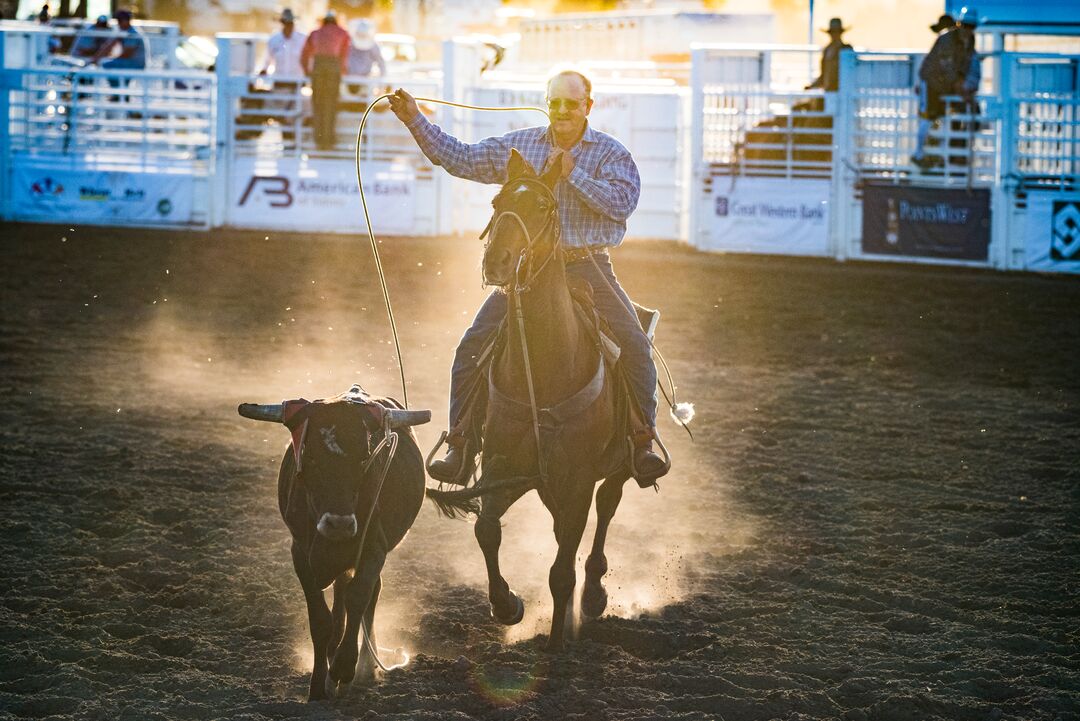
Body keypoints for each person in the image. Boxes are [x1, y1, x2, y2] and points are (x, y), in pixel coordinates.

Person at [388, 70, 668, 486]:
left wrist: (574, 174)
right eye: (554, 102)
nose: (561, 111)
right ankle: (461, 443)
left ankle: (641, 438)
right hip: (530, 271)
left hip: (588, 265)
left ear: (587, 107)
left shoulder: (610, 154)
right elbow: (463, 158)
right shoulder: (523, 146)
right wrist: (415, 120)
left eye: (570, 104)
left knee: (634, 344)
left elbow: (621, 204)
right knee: (471, 346)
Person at [912, 6, 981, 170]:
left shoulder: (969, 43)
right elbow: (946, 64)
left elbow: (962, 66)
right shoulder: (947, 40)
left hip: (945, 86)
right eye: (965, 25)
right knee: (928, 117)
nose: (968, 30)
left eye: (971, 27)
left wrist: (964, 87)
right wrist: (959, 85)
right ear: (959, 24)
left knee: (942, 118)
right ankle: (919, 154)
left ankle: (939, 156)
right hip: (931, 82)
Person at [300, 10, 350, 150]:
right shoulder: (343, 33)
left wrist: (307, 72)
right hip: (333, 71)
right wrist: (342, 71)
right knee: (331, 105)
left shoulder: (315, 33)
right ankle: (329, 141)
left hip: (318, 69)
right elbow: (344, 56)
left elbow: (304, 55)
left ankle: (319, 140)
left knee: (318, 105)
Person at [89, 9, 147, 90]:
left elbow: (127, 54)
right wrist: (96, 58)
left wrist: (106, 58)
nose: (118, 23)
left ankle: (118, 92)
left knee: (108, 64)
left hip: (136, 64)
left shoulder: (132, 33)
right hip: (130, 62)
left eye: (120, 20)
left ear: (127, 21)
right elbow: (109, 45)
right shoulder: (124, 31)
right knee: (108, 63)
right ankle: (120, 92)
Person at [806, 17, 852, 93]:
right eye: (833, 32)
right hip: (829, 91)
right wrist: (811, 86)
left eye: (837, 32)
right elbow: (823, 75)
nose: (834, 35)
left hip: (843, 91)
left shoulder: (846, 49)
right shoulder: (827, 50)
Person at [259, 8, 306, 79]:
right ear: (282, 24)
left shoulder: (302, 39)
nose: (289, 26)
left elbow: (308, 59)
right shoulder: (274, 40)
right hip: (278, 79)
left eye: (290, 23)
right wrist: (264, 70)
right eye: (286, 23)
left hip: (296, 81)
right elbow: (267, 59)